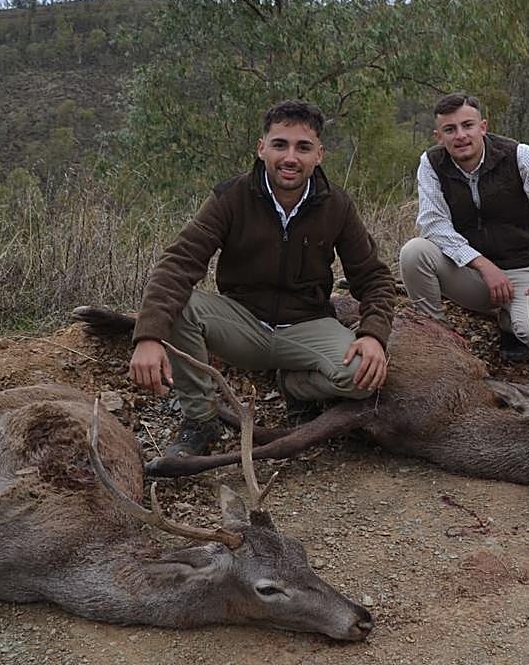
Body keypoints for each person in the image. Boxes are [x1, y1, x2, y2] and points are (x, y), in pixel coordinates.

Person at [129, 100, 396, 457]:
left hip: (307, 324)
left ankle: (296, 386)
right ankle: (201, 420)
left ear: (319, 154)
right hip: (243, 323)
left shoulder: (337, 206)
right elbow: (179, 263)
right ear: (261, 148)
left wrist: (373, 334)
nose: (290, 157)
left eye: (303, 148)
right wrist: (149, 336)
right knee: (183, 306)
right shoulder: (232, 197)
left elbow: (374, 277)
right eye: (280, 144)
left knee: (365, 375)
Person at [399, 93, 529, 361]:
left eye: (468, 125)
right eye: (450, 130)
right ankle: (435, 334)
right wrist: (482, 264)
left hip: (522, 271)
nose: (461, 136)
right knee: (414, 252)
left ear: (483, 127)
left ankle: (508, 320)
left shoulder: (517, 156)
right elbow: (433, 223)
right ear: (438, 136)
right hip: (470, 273)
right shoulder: (431, 164)